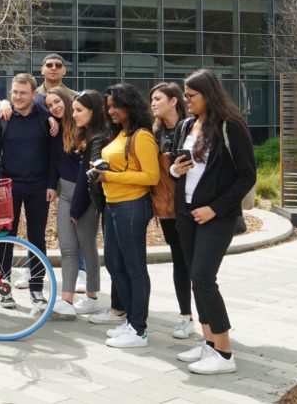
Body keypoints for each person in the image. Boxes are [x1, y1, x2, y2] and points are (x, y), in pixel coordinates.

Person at [170, 69, 256, 375]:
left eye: (191, 95)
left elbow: (247, 176)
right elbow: (176, 169)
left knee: (204, 278)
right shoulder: (186, 125)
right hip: (188, 214)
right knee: (196, 278)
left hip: (216, 217)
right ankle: (208, 344)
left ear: (209, 95)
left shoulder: (230, 126)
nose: (186, 100)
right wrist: (175, 170)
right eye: (185, 94)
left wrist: (215, 209)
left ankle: (224, 353)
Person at [96, 83, 160, 349]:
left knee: (134, 267)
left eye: (115, 106)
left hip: (131, 207)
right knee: (114, 264)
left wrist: (109, 175)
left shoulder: (142, 136)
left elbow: (151, 176)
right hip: (112, 205)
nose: (110, 111)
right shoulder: (120, 133)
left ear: (129, 105)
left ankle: (139, 329)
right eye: (108, 107)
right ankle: (131, 321)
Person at [0, 74, 54, 310]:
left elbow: (53, 155)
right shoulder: (2, 118)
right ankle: (4, 286)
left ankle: (37, 288)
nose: (17, 97)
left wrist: (51, 184)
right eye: (14, 92)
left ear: (34, 95)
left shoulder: (45, 119)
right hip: (9, 186)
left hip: (38, 187)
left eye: (23, 93)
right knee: (6, 237)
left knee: (37, 238)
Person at [45, 87, 101, 317]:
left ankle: (92, 296)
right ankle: (66, 299)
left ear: (68, 100)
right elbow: (54, 161)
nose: (54, 107)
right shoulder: (55, 129)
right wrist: (51, 185)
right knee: (67, 247)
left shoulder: (85, 130)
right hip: (65, 193)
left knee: (87, 245)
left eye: (57, 102)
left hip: (85, 193)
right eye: (49, 105)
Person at [150, 82, 195, 340]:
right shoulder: (153, 134)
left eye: (158, 98)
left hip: (190, 205)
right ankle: (186, 316)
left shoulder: (190, 129)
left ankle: (201, 318)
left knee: (192, 263)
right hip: (166, 208)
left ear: (173, 101)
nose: (153, 103)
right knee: (179, 260)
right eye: (152, 99)